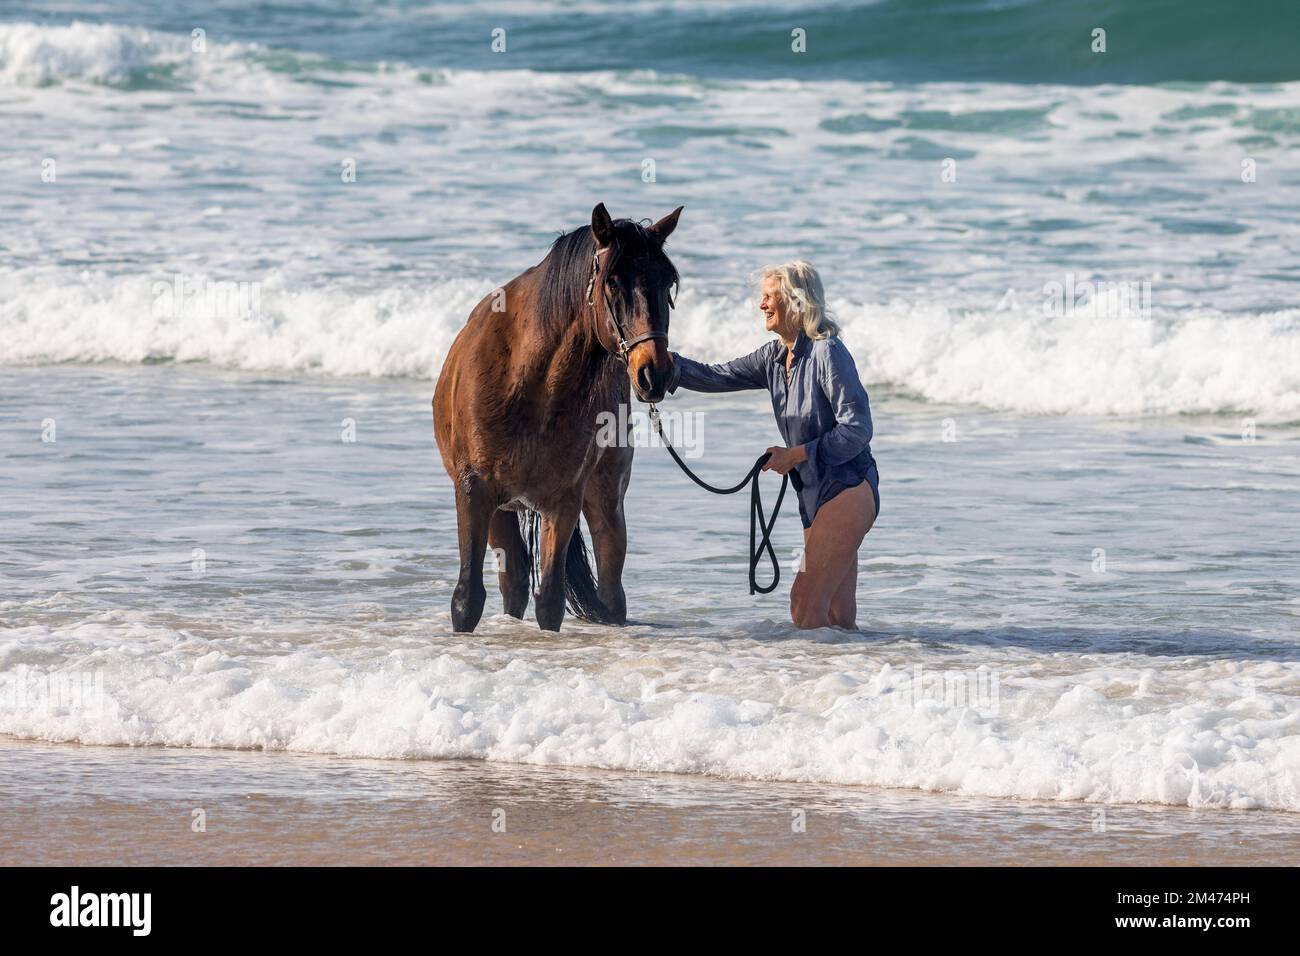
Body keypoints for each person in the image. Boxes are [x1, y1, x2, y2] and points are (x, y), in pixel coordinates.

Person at [666, 261, 879, 630]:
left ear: (795, 302)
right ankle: (852, 684)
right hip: (814, 497)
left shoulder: (828, 353)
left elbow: (858, 428)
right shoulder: (774, 358)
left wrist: (796, 454)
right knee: (837, 615)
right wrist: (666, 365)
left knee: (803, 604)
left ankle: (811, 685)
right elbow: (719, 375)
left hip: (848, 489)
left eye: (769, 296)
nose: (761, 305)